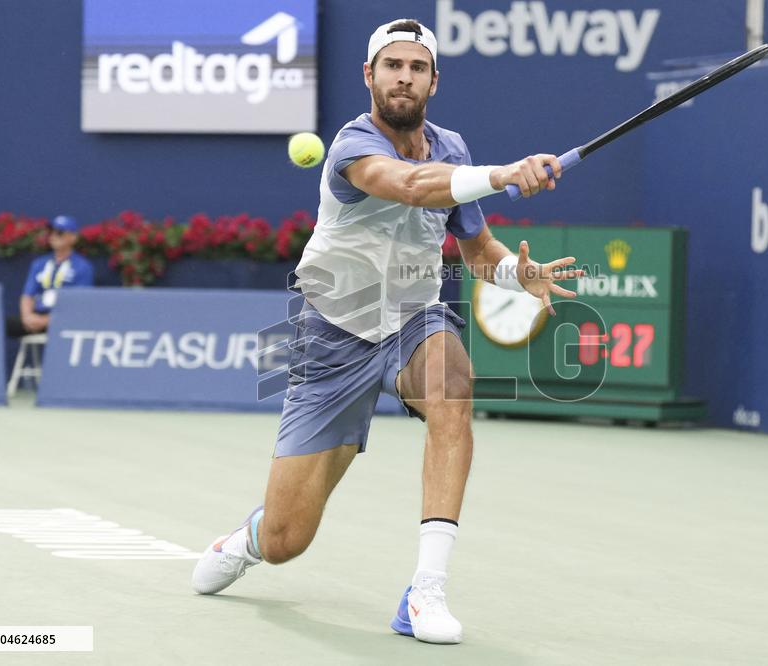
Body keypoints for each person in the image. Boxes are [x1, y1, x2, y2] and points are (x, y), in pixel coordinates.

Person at [191, 18, 583, 645]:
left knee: (454, 390)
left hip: (412, 318)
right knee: (290, 539)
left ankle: (425, 591)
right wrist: (505, 173)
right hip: (332, 333)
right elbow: (409, 186)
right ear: (369, 75)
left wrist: (517, 273)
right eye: (393, 66)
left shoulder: (452, 148)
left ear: (434, 80)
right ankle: (248, 541)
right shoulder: (352, 146)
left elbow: (476, 250)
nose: (405, 78)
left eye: (417, 68)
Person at [5, 215, 94, 337]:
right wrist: (27, 317)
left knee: (72, 323)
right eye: (51, 232)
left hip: (65, 318)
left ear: (73, 237)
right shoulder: (39, 264)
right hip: (37, 315)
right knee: (8, 323)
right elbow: (27, 295)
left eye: (59, 233)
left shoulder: (83, 266)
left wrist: (48, 320)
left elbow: (80, 303)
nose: (53, 236)